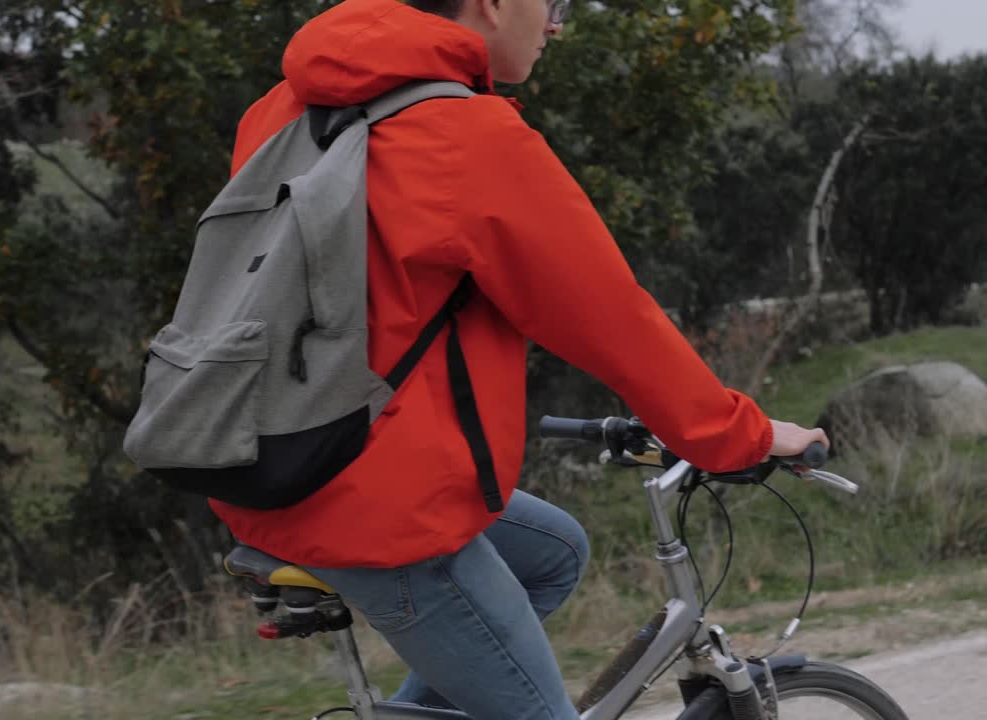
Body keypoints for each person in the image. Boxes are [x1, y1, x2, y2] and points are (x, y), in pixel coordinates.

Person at [209, 1, 830, 718]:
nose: (558, 24)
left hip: (273, 465)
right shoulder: (468, 137)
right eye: (553, 3)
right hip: (381, 511)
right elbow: (610, 318)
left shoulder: (284, 106)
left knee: (554, 553)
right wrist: (739, 434)